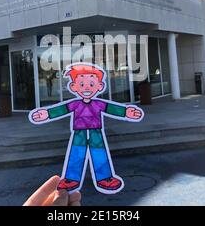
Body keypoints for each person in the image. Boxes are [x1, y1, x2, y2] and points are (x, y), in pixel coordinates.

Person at [29, 63, 144, 195]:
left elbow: (111, 108)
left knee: (99, 153)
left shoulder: (98, 103)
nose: (87, 88)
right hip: (79, 133)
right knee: (76, 153)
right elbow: (62, 109)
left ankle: (105, 178)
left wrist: (126, 112)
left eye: (91, 84)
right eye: (82, 84)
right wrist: (47, 114)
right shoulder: (75, 104)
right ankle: (71, 178)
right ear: (73, 87)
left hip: (96, 132)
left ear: (100, 86)